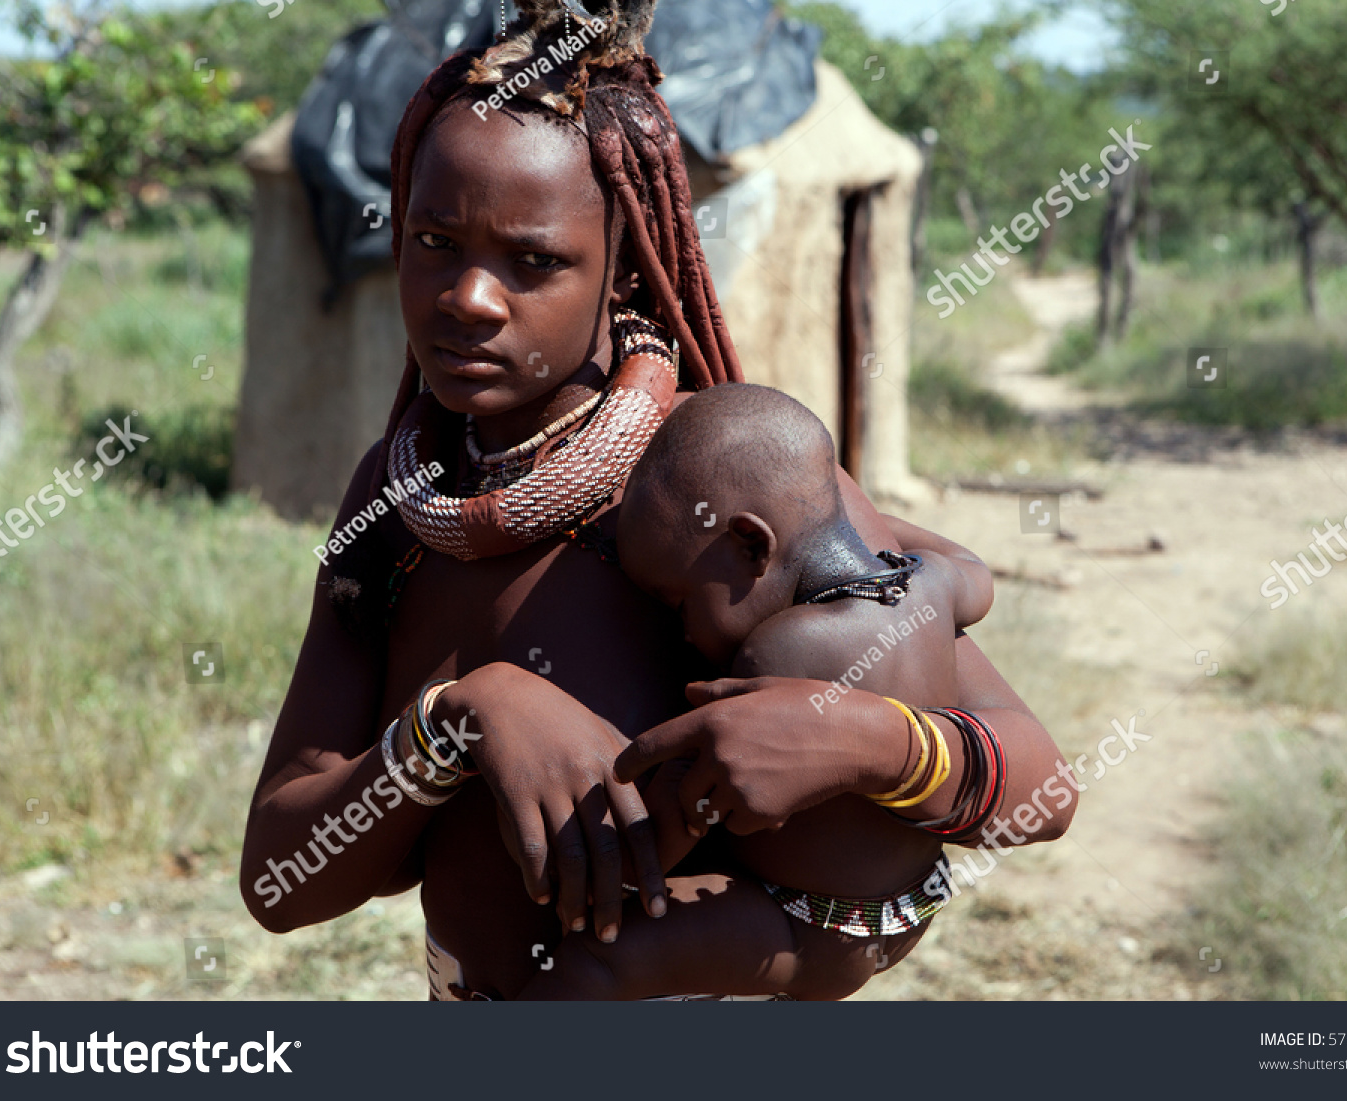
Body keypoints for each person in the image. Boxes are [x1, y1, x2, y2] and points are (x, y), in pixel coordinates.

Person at [240, 0, 1076, 1001]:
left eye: (533, 259)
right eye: (432, 242)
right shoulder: (397, 502)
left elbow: (1044, 786)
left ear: (626, 262)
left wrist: (861, 741)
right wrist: (459, 720)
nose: (468, 296)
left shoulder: (714, 491)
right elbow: (280, 880)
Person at [518, 382, 1002, 999]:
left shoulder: (778, 654)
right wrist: (838, 518)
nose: (682, 632)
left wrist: (601, 864)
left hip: (808, 927)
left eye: (679, 601)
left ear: (752, 545)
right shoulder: (930, 587)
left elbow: (688, 814)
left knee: (591, 965)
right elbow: (976, 574)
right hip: (915, 901)